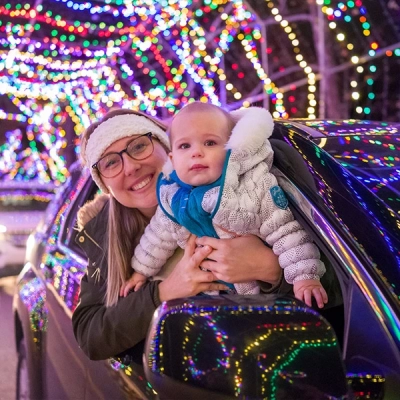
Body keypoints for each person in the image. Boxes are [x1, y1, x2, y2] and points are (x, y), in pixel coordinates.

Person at [72, 108, 288, 361]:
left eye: (139, 146)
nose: (130, 167)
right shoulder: (105, 236)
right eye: (110, 162)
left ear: (168, 150)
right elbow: (91, 335)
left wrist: (270, 268)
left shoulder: (246, 192)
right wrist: (163, 293)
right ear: (104, 184)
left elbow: (332, 284)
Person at [124, 102, 328, 308]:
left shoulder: (252, 187)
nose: (197, 152)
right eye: (185, 146)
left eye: (210, 143)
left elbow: (286, 231)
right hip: (211, 297)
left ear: (231, 149)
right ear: (173, 159)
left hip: (257, 298)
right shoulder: (172, 196)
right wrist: (141, 270)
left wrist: (304, 276)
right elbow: (157, 238)